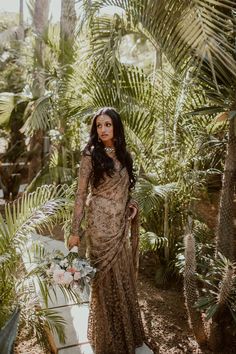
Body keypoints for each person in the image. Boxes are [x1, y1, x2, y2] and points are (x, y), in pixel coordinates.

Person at [68, 107, 145, 354]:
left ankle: (123, 333)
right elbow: (81, 194)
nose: (103, 130)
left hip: (119, 224)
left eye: (108, 125)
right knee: (103, 280)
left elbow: (126, 190)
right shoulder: (91, 154)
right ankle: (106, 336)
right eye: (99, 125)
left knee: (121, 277)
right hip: (100, 226)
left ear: (116, 127)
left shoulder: (124, 154)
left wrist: (131, 205)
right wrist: (74, 230)